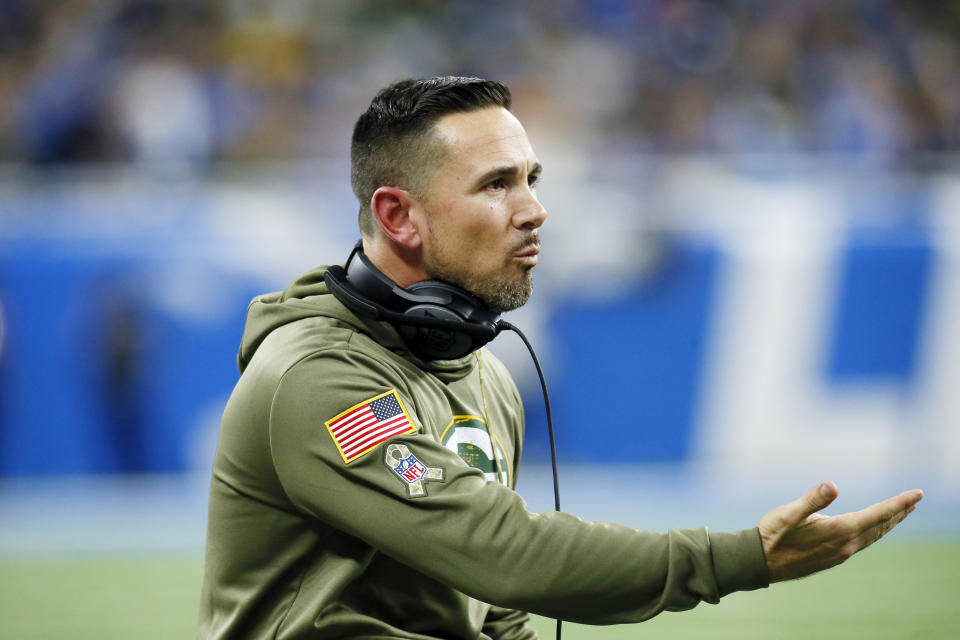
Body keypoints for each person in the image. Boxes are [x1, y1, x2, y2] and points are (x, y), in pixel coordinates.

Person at [197, 76, 923, 640]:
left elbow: (491, 610)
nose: (534, 208)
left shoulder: (481, 371)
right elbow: (505, 553)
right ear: (398, 216)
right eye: (496, 184)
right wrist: (740, 558)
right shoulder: (319, 378)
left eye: (531, 179)